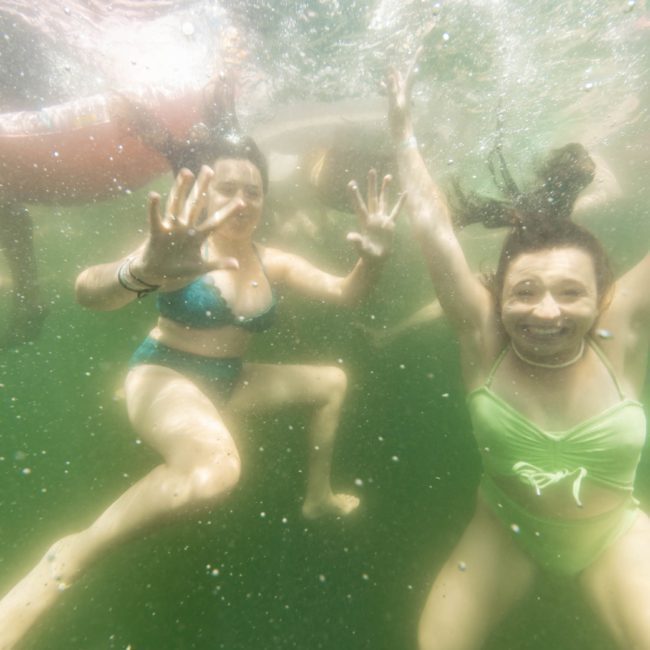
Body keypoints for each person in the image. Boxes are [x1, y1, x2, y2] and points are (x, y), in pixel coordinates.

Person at [0, 134, 405, 648]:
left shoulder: (271, 260)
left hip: (229, 379)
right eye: (228, 188)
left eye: (254, 191)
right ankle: (70, 556)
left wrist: (372, 259)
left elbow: (346, 293)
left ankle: (317, 499)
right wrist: (143, 269)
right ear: (204, 193)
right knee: (215, 473)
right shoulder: (181, 249)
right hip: (164, 375)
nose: (242, 201)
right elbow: (88, 291)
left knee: (332, 381)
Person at [387, 55, 650, 650]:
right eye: (524, 293)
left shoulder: (620, 329)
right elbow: (433, 228)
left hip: (613, 533)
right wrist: (401, 133)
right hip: (504, 531)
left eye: (570, 293)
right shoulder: (483, 339)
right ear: (497, 297)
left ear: (602, 297)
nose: (547, 311)